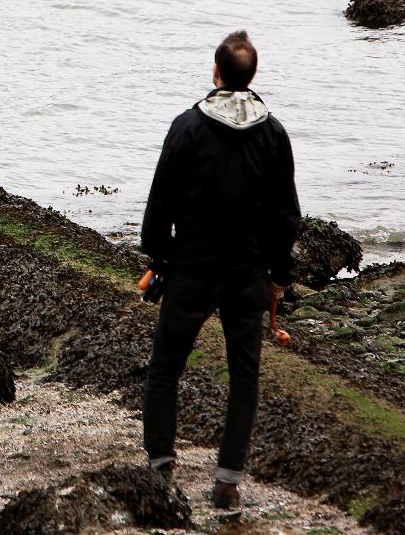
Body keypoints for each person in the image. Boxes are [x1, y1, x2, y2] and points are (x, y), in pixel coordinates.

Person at [138, 29, 300, 510]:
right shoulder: (274, 134)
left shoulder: (187, 126)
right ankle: (227, 481)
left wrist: (157, 259)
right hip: (248, 273)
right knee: (244, 375)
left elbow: (160, 199)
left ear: (216, 72)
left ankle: (161, 467)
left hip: (192, 267)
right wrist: (279, 275)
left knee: (166, 367)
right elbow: (286, 214)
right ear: (251, 77)